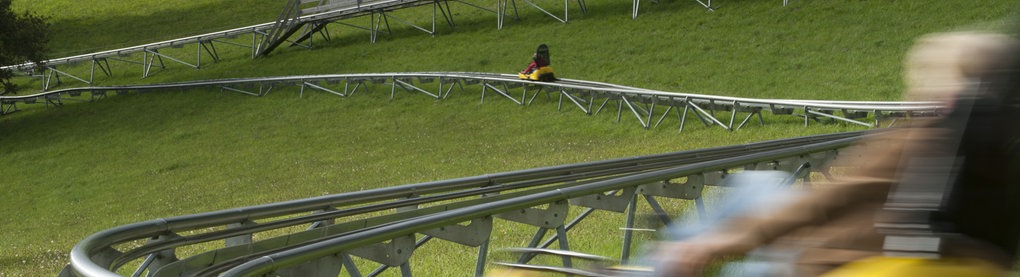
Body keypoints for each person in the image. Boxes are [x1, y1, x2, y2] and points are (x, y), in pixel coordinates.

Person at [650, 31, 1020, 277]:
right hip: (963, 261)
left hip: (833, 261)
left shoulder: (924, 140)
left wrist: (724, 241)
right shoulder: (1000, 159)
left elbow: (827, 200)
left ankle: (661, 265)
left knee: (755, 184)